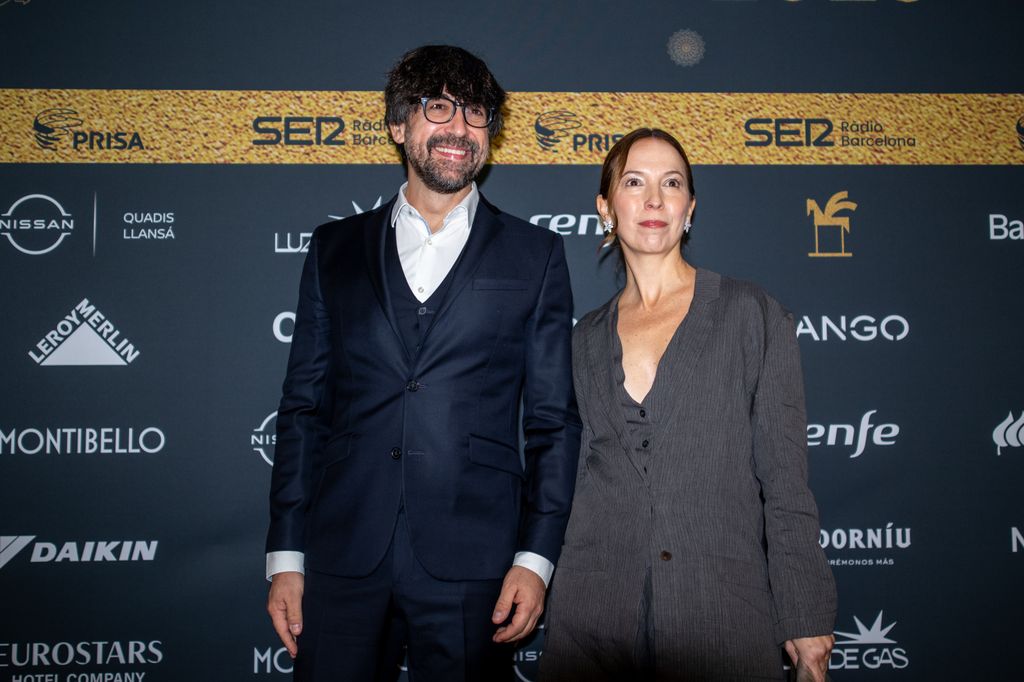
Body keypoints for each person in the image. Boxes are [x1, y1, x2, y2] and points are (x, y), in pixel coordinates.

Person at [265, 45, 581, 682]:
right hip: (343, 550)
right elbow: (303, 410)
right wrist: (286, 557)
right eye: (439, 108)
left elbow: (552, 422)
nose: (459, 127)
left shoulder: (535, 254)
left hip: (477, 557)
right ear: (398, 125)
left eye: (475, 112)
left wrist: (535, 558)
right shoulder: (333, 249)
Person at [540, 129, 837, 682]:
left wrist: (806, 613)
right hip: (592, 623)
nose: (654, 200)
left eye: (672, 184)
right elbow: (569, 482)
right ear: (606, 208)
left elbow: (785, 483)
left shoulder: (752, 314)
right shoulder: (582, 340)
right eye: (635, 183)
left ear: (690, 208)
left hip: (722, 620)